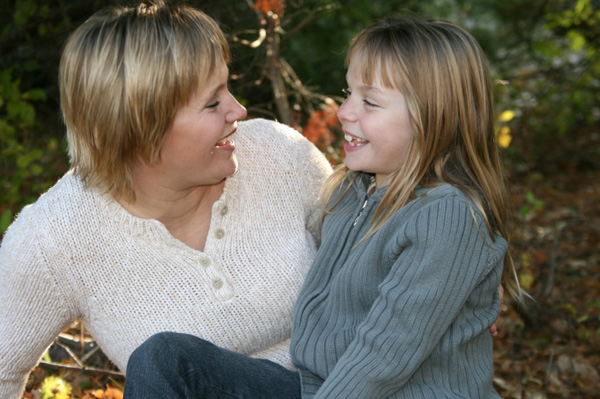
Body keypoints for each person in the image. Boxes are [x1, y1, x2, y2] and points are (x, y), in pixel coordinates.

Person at [123, 17, 524, 399]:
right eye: (349, 93)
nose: (345, 111)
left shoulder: (446, 216)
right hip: (318, 389)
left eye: (370, 102)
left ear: (433, 116)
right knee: (166, 361)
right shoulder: (352, 192)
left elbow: (380, 359)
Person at [0, 2, 333, 398]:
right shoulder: (54, 237)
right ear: (140, 129)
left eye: (228, 87)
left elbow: (382, 272)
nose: (238, 110)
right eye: (212, 103)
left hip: (340, 384)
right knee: (163, 361)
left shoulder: (282, 157)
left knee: (164, 359)